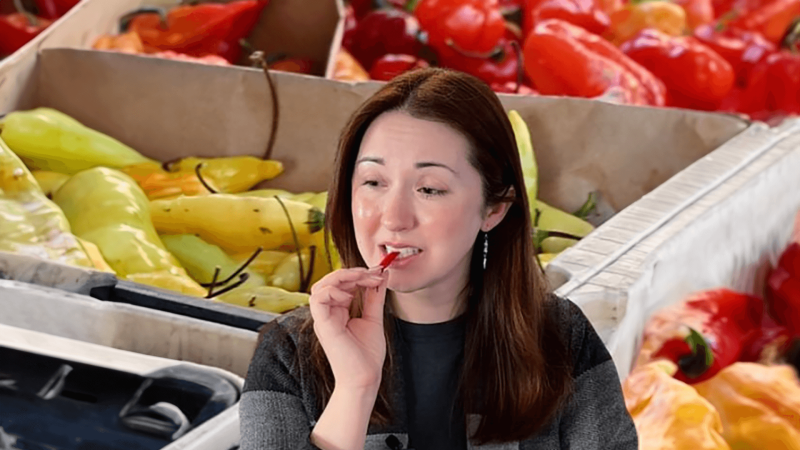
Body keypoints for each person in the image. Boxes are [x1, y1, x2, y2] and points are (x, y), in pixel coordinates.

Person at [240, 67, 638, 450]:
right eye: (373, 182)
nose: (394, 218)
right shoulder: (287, 353)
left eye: (429, 189)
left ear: (494, 209)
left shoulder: (563, 338)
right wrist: (355, 388)